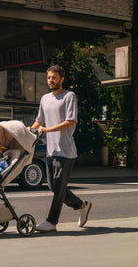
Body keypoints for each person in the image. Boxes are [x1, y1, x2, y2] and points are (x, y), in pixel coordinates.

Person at [28, 65, 92, 232]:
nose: (51, 80)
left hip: (66, 151)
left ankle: (51, 222)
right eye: (49, 77)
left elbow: (71, 121)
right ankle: (81, 205)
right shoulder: (44, 99)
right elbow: (39, 120)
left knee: (58, 189)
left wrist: (48, 130)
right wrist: (29, 129)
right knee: (54, 186)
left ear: (62, 79)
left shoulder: (69, 96)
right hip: (51, 151)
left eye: (54, 77)